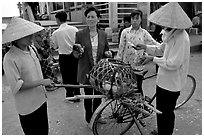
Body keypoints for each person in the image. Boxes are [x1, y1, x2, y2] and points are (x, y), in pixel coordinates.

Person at [135, 2, 192, 135]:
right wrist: (145, 47)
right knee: (160, 110)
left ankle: (166, 133)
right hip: (162, 80)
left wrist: (152, 59)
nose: (163, 24)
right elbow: (161, 49)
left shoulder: (182, 38)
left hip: (172, 84)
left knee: (167, 112)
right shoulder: (169, 32)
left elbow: (173, 63)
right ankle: (161, 131)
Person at [2, 17, 54, 135]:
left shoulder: (32, 49)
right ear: (16, 38)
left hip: (41, 100)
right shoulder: (10, 58)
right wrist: (41, 82)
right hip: (28, 107)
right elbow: (17, 86)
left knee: (44, 132)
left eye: (31, 34)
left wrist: (46, 81)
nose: (31, 38)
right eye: (27, 36)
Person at [74, 6, 112, 125]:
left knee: (98, 95)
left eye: (93, 17)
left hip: (100, 71)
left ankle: (97, 116)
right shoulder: (80, 34)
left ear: (98, 19)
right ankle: (89, 118)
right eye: (88, 17)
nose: (90, 19)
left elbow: (107, 50)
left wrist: (109, 53)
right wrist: (78, 52)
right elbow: (75, 54)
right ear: (86, 19)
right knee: (88, 96)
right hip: (86, 70)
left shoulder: (103, 34)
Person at [116, 9, 161, 95]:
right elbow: (121, 49)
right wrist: (119, 64)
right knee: (126, 89)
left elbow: (153, 43)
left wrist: (164, 47)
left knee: (138, 89)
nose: (135, 20)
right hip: (126, 66)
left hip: (139, 67)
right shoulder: (125, 32)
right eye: (133, 18)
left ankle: (139, 106)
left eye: (137, 18)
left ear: (141, 20)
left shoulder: (144, 33)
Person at [52, 11, 80, 102]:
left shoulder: (56, 33)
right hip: (74, 55)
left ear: (58, 20)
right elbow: (78, 42)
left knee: (66, 77)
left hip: (63, 57)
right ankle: (77, 94)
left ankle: (69, 95)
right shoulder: (74, 29)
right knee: (75, 75)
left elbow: (55, 46)